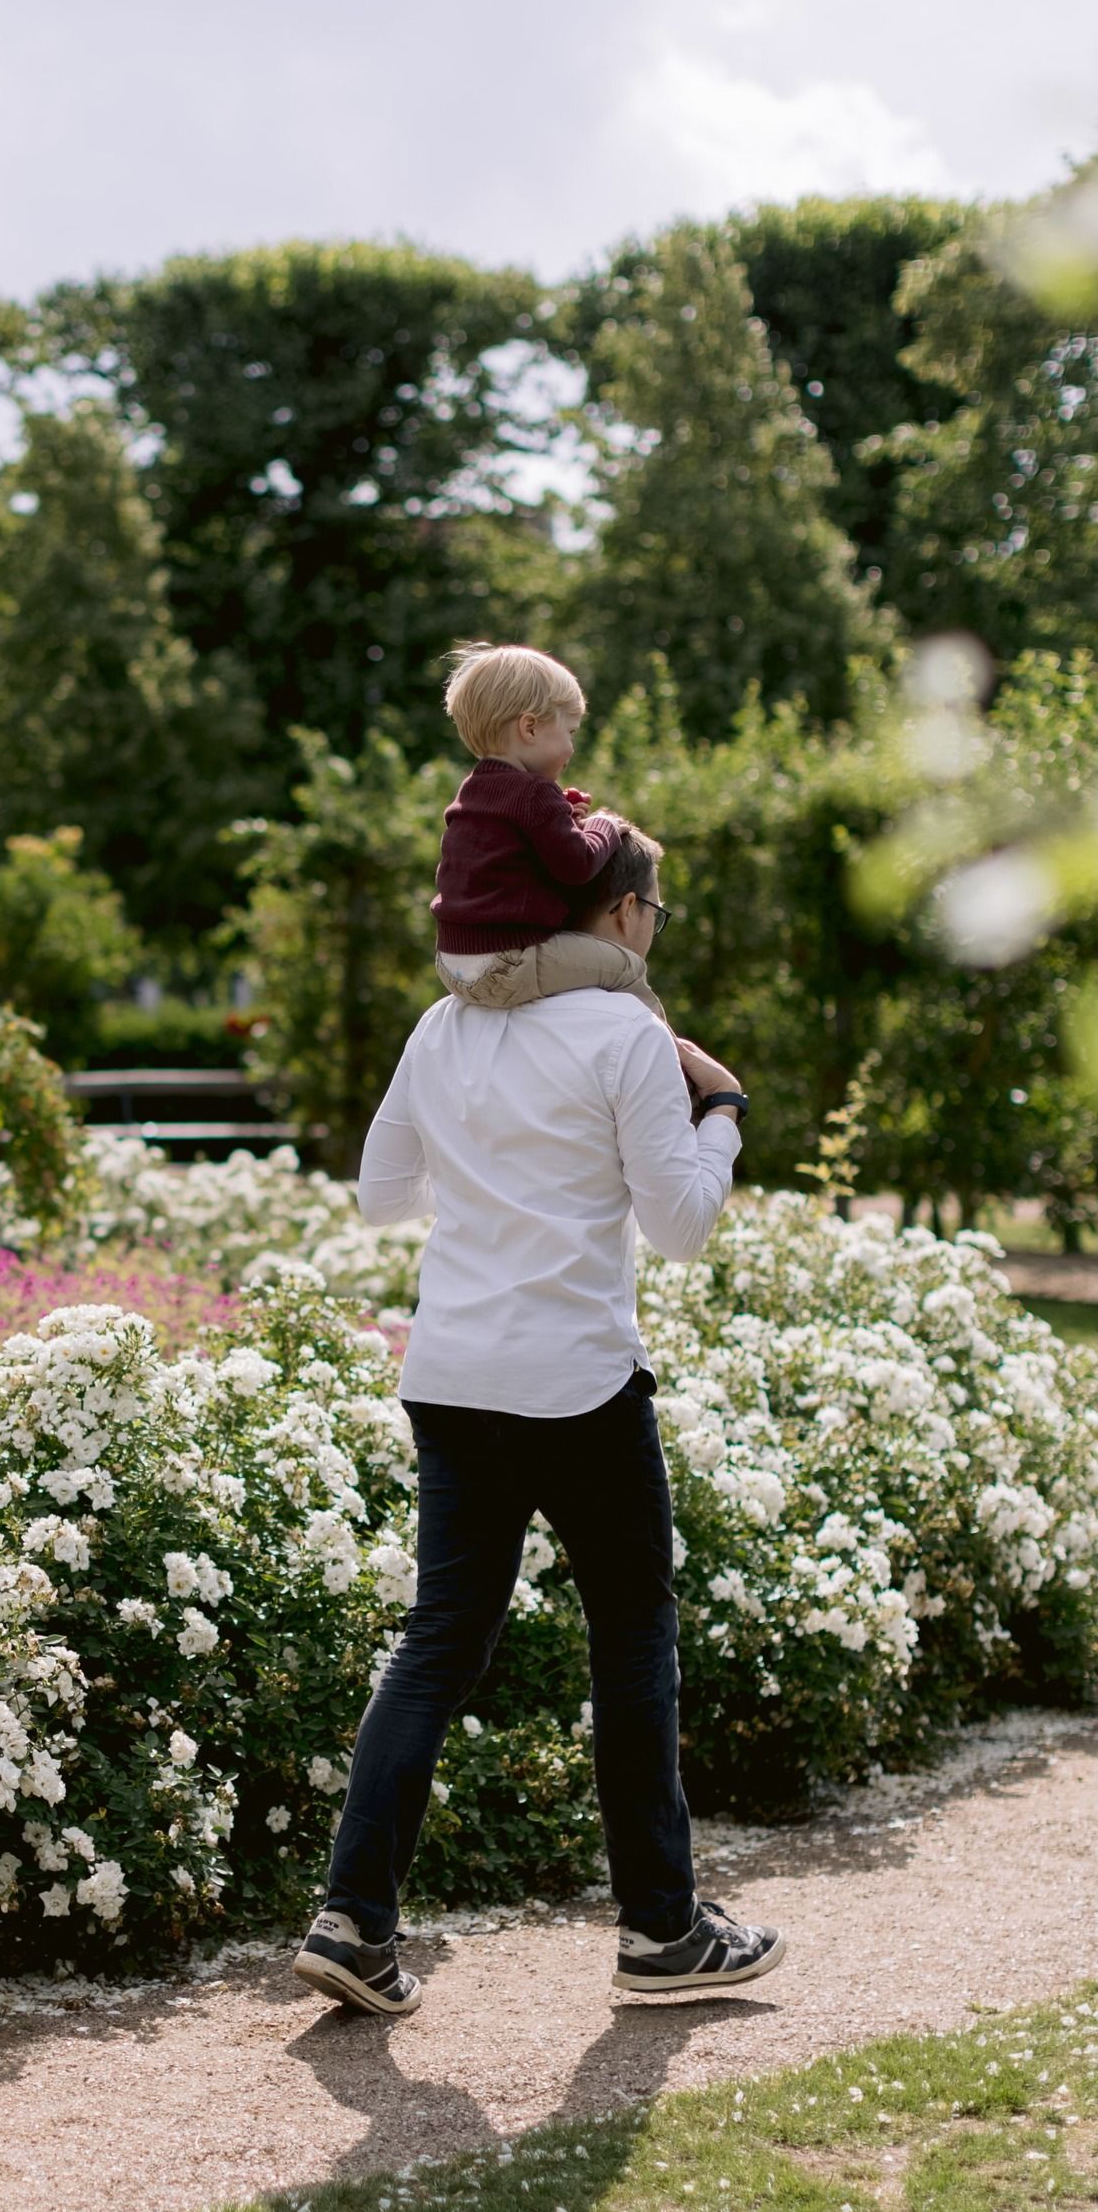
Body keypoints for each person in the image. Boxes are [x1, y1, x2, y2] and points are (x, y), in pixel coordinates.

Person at [293, 821, 783, 2018]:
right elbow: (678, 1224)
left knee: (436, 1645)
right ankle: (660, 1931)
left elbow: (381, 1195)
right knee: (630, 1640)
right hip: (576, 1383)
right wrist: (721, 1110)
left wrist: (492, 1170)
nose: (650, 929)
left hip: (452, 1376)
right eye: (651, 911)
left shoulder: (442, 1025)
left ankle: (352, 1920)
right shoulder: (625, 1031)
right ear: (616, 914)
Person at [431, 640, 666, 1021]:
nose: (571, 748)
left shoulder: (473, 790)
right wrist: (604, 824)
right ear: (530, 728)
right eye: (570, 732)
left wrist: (563, 819)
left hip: (451, 964)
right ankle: (671, 1052)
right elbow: (577, 864)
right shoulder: (534, 792)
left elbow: (522, 854)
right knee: (626, 966)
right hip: (506, 962)